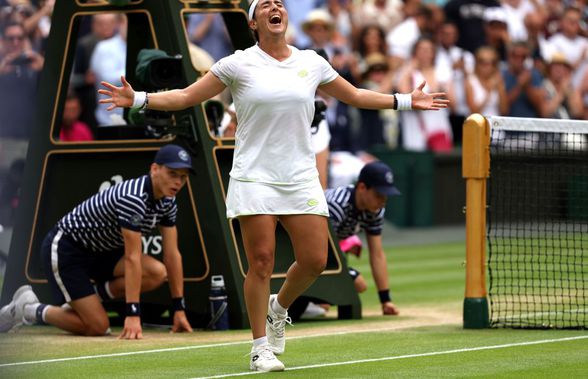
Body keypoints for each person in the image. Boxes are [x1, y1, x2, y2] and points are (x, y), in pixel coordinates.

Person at [96, 0, 448, 371]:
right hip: (254, 176)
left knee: (315, 260)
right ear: (254, 22)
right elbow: (186, 96)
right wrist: (137, 98)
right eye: (265, 5)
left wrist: (407, 100)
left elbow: (357, 95)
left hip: (300, 176)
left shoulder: (311, 62)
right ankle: (259, 348)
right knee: (261, 262)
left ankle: (278, 307)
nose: (275, 7)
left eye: (279, 3)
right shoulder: (236, 63)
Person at [0, 144, 194, 338]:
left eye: (183, 177)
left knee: (157, 273)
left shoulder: (168, 201)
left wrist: (179, 309)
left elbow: (172, 254)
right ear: (154, 169)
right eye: (172, 173)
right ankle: (28, 308)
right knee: (98, 327)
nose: (178, 182)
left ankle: (89, 296)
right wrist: (133, 314)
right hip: (67, 250)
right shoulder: (133, 198)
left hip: (102, 253)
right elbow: (132, 258)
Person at [325, 161, 401, 316]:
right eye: (378, 195)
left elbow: (377, 254)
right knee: (356, 284)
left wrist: (385, 300)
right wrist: (350, 274)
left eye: (385, 196)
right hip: (296, 247)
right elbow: (320, 249)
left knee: (349, 287)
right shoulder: (336, 205)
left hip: (326, 250)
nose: (382, 201)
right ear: (361, 188)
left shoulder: (374, 211)